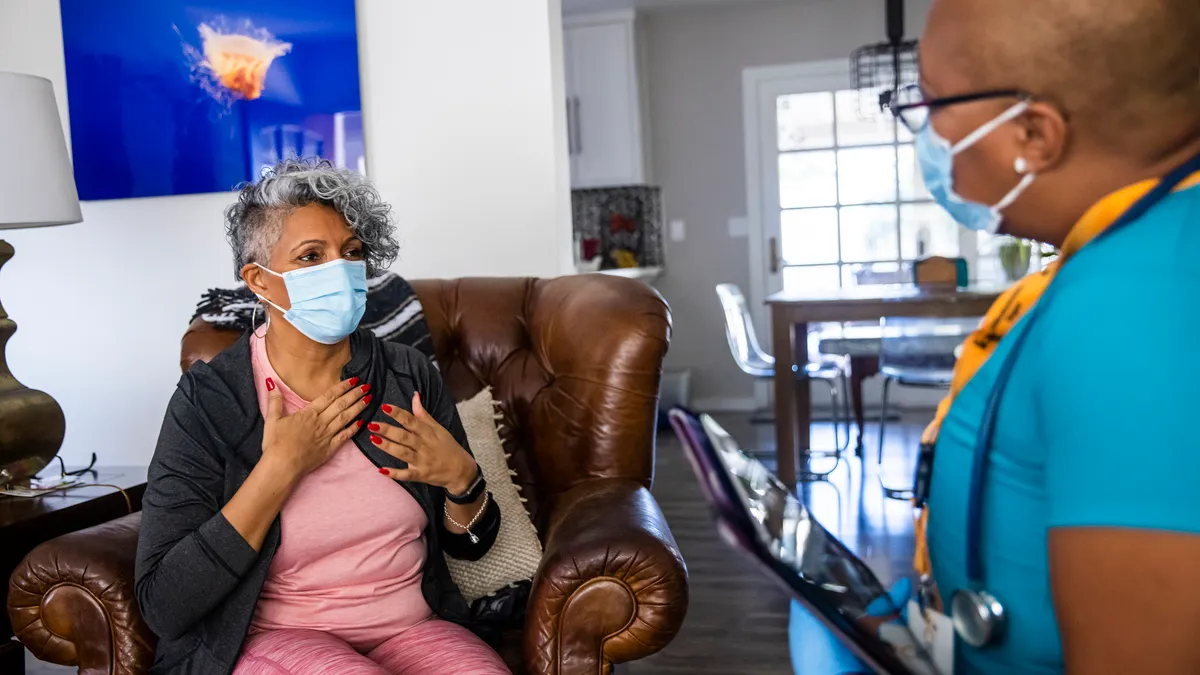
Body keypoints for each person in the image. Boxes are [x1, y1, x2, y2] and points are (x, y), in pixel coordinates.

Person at [904, 0, 1200, 673]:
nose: (926, 135)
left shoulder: (1143, 300)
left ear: (1034, 135)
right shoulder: (1128, 254)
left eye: (932, 103)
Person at [135, 159, 509, 675]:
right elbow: (164, 604)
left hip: (412, 627)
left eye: (351, 252)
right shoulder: (211, 399)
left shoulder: (407, 374)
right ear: (258, 281)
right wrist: (278, 470)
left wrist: (463, 481)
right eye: (312, 256)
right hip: (275, 639)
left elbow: (470, 549)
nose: (340, 269)